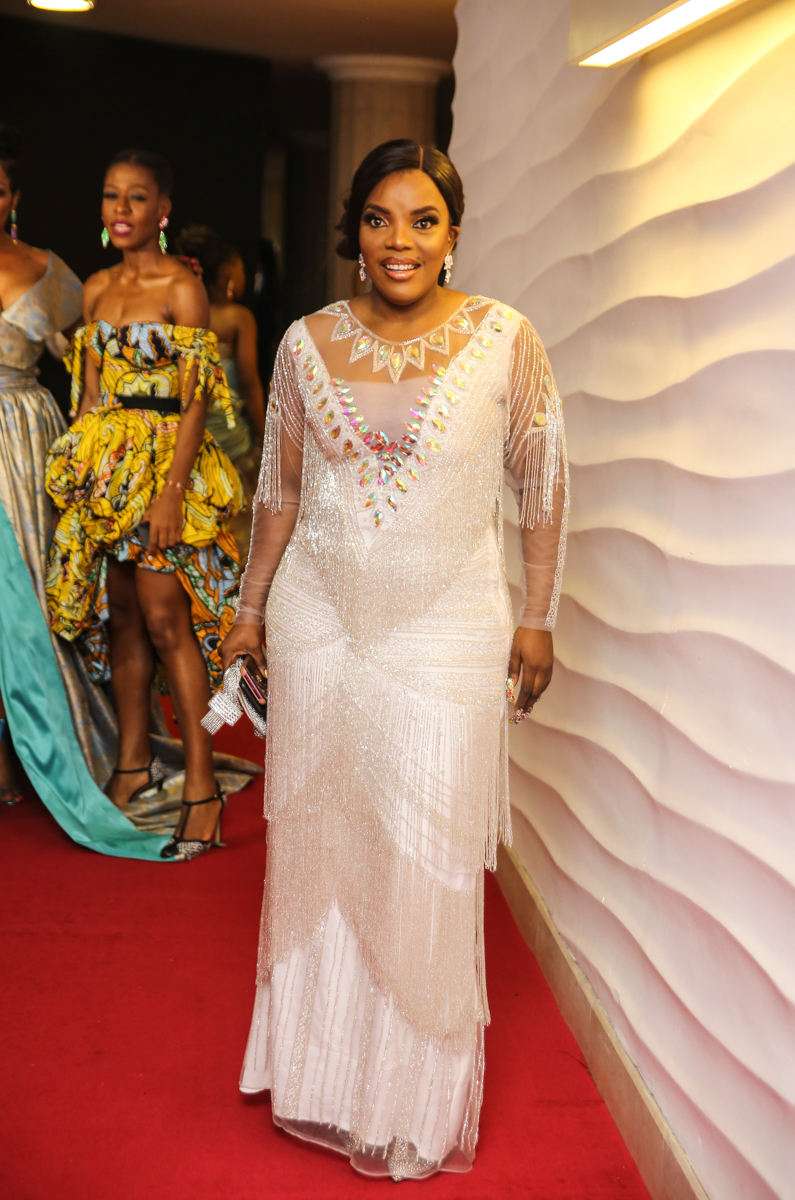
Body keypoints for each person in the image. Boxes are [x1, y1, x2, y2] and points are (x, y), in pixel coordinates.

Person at [221, 139, 569, 1178]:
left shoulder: (507, 338)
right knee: (321, 840)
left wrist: (538, 615)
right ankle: (320, 1075)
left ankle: (410, 1106)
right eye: (379, 219)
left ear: (453, 232)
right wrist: (249, 610)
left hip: (449, 626)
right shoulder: (304, 342)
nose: (399, 241)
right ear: (355, 231)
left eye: (423, 220)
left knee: (425, 857)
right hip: (319, 622)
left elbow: (542, 483)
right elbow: (279, 492)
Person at [45, 149, 244, 862]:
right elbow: (91, 399)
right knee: (123, 617)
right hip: (109, 475)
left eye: (136, 198)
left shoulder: (181, 288)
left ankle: (201, 788)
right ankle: (133, 762)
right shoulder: (96, 288)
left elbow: (196, 404)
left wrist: (171, 495)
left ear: (163, 210)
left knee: (166, 621)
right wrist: (81, 481)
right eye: (111, 196)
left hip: (166, 471)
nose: (120, 209)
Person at [0, 125, 172, 859]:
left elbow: (98, 363)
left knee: (30, 609)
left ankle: (40, 749)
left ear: (13, 197)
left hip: (22, 441)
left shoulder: (50, 271)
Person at [175, 223, 266, 556]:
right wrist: (264, 437)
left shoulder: (177, 317)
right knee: (238, 538)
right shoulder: (238, 318)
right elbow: (250, 383)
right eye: (241, 269)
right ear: (228, 273)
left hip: (187, 446)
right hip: (233, 446)